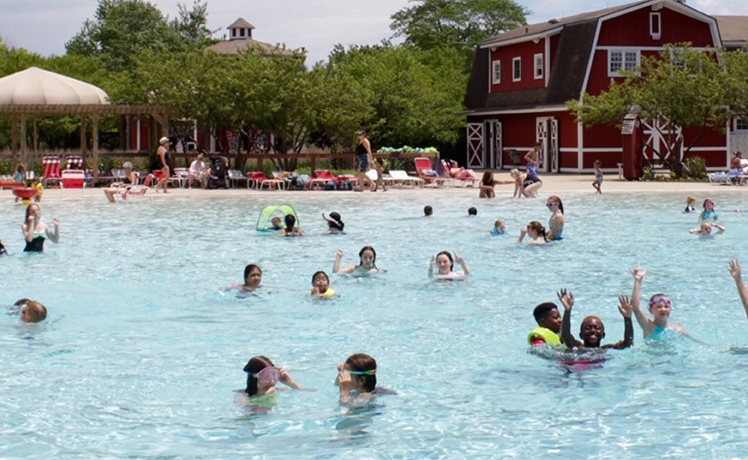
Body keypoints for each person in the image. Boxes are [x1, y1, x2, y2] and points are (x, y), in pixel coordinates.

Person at [629, 266, 693, 341]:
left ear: (670, 309)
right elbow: (635, 308)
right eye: (659, 307)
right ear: (650, 310)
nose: (663, 309)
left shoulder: (677, 328)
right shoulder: (649, 326)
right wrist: (638, 281)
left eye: (666, 306)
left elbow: (692, 340)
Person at [558, 288, 634, 350]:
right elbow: (565, 335)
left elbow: (628, 343)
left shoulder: (606, 348)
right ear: (580, 335)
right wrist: (567, 311)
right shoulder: (577, 347)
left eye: (597, 328)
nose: (592, 330)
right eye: (588, 328)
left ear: (603, 335)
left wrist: (627, 318)